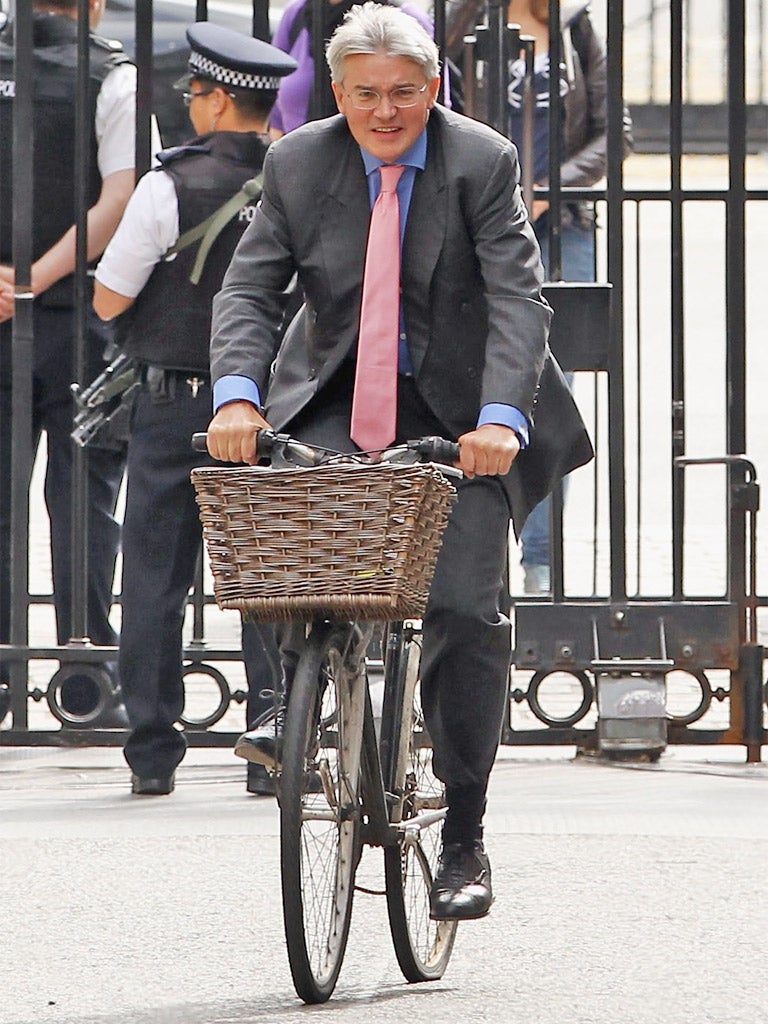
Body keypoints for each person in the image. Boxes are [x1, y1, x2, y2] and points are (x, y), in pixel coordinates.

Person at [205, 4, 592, 919]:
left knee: (463, 603)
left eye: (405, 95)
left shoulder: (480, 160)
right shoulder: (298, 160)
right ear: (336, 93)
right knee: (282, 520)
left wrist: (502, 418)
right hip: (340, 394)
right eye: (367, 95)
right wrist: (235, 393)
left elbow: (517, 300)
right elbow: (250, 285)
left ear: (435, 89)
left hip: (458, 405)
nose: (386, 112)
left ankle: (464, 830)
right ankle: (293, 704)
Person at [92, 22, 296, 797]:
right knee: (271, 576)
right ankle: (277, 731)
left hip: (175, 405)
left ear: (215, 100)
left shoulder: (168, 184)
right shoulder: (302, 177)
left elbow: (111, 294)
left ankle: (151, 750)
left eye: (193, 94)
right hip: (273, 409)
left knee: (153, 577)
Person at [0, 0, 158, 723]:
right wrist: (37, 276)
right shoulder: (113, 78)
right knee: (84, 499)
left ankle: (4, 675)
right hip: (78, 318)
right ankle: (85, 670)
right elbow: (122, 198)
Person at [506, 0, 633, 593]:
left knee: (554, 393)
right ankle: (464, 562)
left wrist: (547, 189)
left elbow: (615, 135)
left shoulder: (576, 26)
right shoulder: (459, 20)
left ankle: (541, 563)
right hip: (481, 223)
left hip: (566, 227)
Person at [268, 0, 436, 137]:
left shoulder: (406, 18)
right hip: (303, 165)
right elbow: (275, 114)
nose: (386, 112)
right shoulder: (297, 14)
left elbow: (438, 106)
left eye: (402, 92)